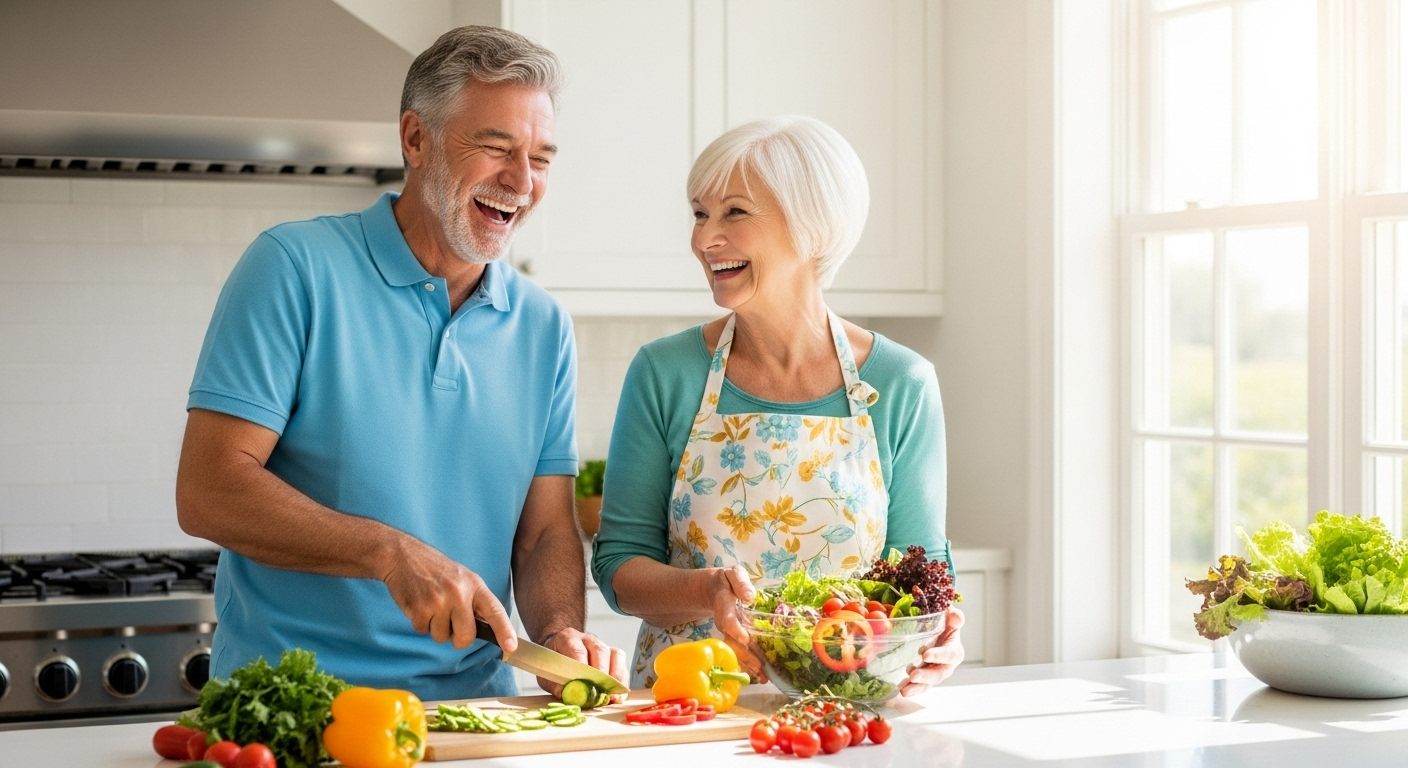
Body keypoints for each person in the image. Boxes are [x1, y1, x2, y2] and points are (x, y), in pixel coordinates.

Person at [175, 26, 626, 702]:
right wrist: (388, 552)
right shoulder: (294, 268)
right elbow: (209, 489)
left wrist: (559, 632)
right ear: (416, 139)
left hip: (474, 711)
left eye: (540, 158)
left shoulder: (543, 326)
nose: (522, 181)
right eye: (496, 147)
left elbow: (543, 534)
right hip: (298, 707)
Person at [591, 116, 964, 695]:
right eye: (700, 213)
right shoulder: (665, 373)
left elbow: (919, 574)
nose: (704, 239)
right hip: (691, 706)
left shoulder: (902, 382)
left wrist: (938, 636)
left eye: (734, 212)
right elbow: (620, 567)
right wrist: (706, 590)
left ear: (814, 228)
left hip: (842, 709)